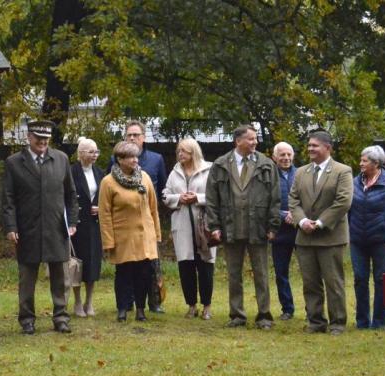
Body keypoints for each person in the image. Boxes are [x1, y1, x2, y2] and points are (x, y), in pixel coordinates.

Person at [2, 120, 79, 335]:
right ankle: (27, 319)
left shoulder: (61, 159)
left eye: (46, 139)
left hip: (56, 228)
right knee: (27, 277)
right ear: (29, 138)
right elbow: (8, 199)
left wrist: (72, 222)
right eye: (39, 139)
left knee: (61, 277)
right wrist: (11, 226)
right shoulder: (14, 162)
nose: (43, 143)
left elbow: (71, 195)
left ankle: (61, 317)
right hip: (27, 229)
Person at [205, 124, 280, 329]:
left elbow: (275, 198)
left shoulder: (266, 164)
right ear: (238, 141)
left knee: (261, 273)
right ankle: (237, 315)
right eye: (251, 139)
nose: (255, 142)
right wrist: (214, 226)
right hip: (230, 227)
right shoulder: (220, 165)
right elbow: (212, 199)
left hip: (258, 227)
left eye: (255, 139)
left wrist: (273, 226)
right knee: (233, 274)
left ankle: (264, 315)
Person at [288, 130, 353, 335]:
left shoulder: (342, 171)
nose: (310, 149)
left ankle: (337, 323)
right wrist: (303, 221)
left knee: (333, 282)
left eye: (314, 145)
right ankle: (316, 322)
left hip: (330, 237)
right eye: (309, 145)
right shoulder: (300, 172)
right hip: (305, 237)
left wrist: (320, 222)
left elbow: (343, 201)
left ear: (327, 147)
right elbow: (293, 200)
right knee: (310, 283)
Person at [106, 120, 167, 313]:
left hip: (146, 224)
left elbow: (160, 194)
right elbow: (107, 204)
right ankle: (126, 305)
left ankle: (154, 303)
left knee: (149, 269)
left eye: (136, 135)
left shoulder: (156, 160)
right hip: (124, 228)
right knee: (125, 270)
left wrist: (156, 230)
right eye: (129, 135)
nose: (132, 138)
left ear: (144, 137)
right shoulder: (112, 166)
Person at [99, 141, 161, 323]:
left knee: (143, 274)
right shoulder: (108, 182)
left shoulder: (145, 178)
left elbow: (153, 208)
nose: (135, 160)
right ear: (119, 159)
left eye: (136, 156)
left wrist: (156, 234)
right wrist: (109, 241)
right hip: (123, 238)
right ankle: (122, 309)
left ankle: (140, 309)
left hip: (145, 237)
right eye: (131, 157)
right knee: (124, 274)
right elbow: (104, 214)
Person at [348, 145, 385, 330]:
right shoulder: (355, 182)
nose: (361, 163)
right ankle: (362, 322)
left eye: (364, 161)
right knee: (359, 279)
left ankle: (379, 322)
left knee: (380, 280)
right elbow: (348, 209)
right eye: (361, 160)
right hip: (357, 241)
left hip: (381, 241)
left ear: (376, 163)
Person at [162, 138, 215, 320]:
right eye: (178, 151)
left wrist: (198, 198)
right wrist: (179, 198)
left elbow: (217, 196)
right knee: (186, 266)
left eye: (184, 151)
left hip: (204, 225)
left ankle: (207, 306)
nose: (180, 155)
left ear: (193, 152)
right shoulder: (175, 172)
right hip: (182, 225)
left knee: (206, 266)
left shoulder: (209, 169)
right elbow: (165, 195)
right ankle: (191, 305)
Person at [70, 137, 104, 317]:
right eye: (91, 152)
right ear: (81, 153)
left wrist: (101, 208)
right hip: (76, 225)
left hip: (94, 224)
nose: (95, 155)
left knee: (92, 264)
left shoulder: (100, 173)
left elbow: (105, 196)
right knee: (77, 264)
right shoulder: (71, 172)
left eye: (96, 151)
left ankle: (89, 302)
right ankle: (76, 301)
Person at [270, 142, 298, 321]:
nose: (286, 158)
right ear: (274, 157)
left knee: (310, 272)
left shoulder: (303, 174)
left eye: (289, 154)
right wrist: (282, 215)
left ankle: (313, 308)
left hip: (301, 230)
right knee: (281, 273)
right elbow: (265, 202)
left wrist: (296, 214)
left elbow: (310, 199)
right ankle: (287, 308)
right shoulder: (269, 176)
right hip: (279, 232)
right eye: (282, 155)